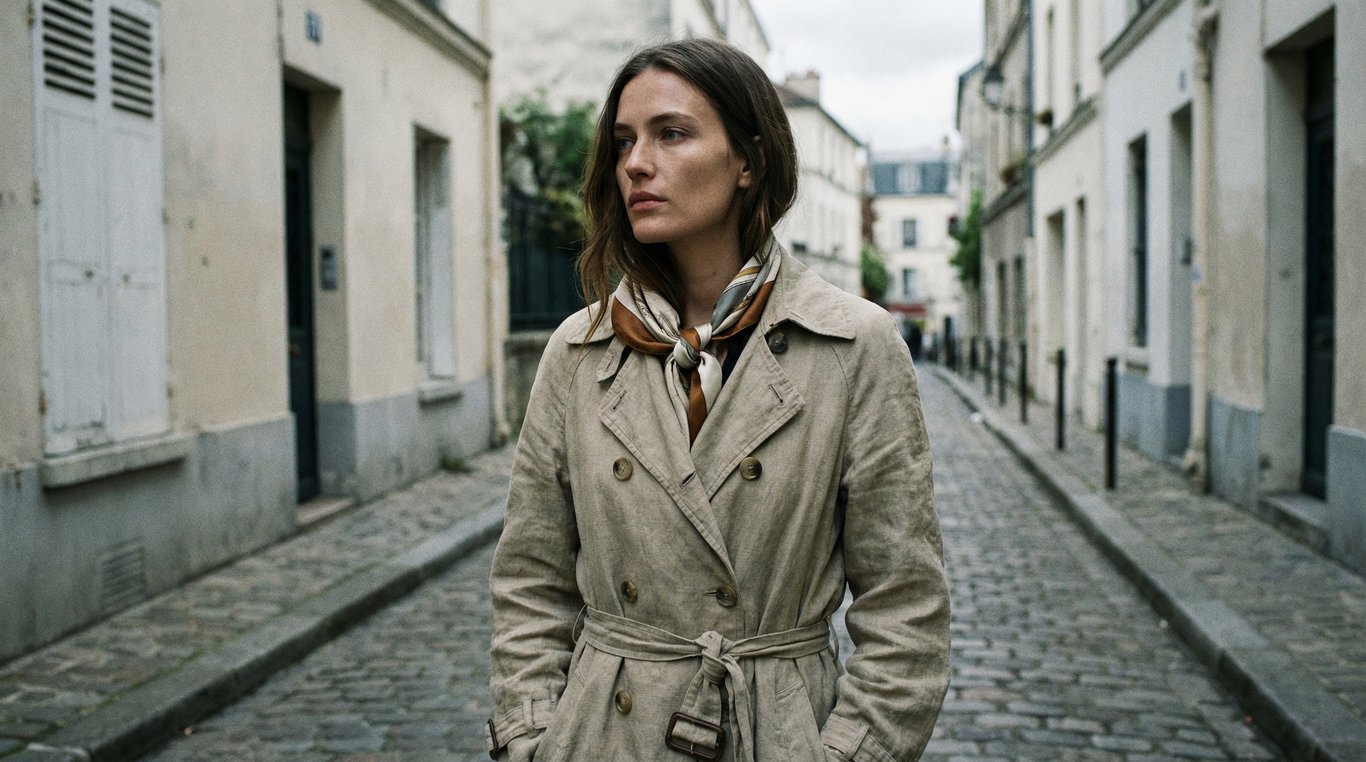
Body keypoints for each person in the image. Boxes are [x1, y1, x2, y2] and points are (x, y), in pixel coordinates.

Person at [487, 38, 949, 761]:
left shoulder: (854, 346)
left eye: (671, 134)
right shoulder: (579, 351)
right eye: (623, 142)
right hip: (604, 734)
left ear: (748, 162)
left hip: (776, 732)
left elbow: (905, 605)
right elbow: (530, 578)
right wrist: (530, 734)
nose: (636, 162)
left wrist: (850, 753)